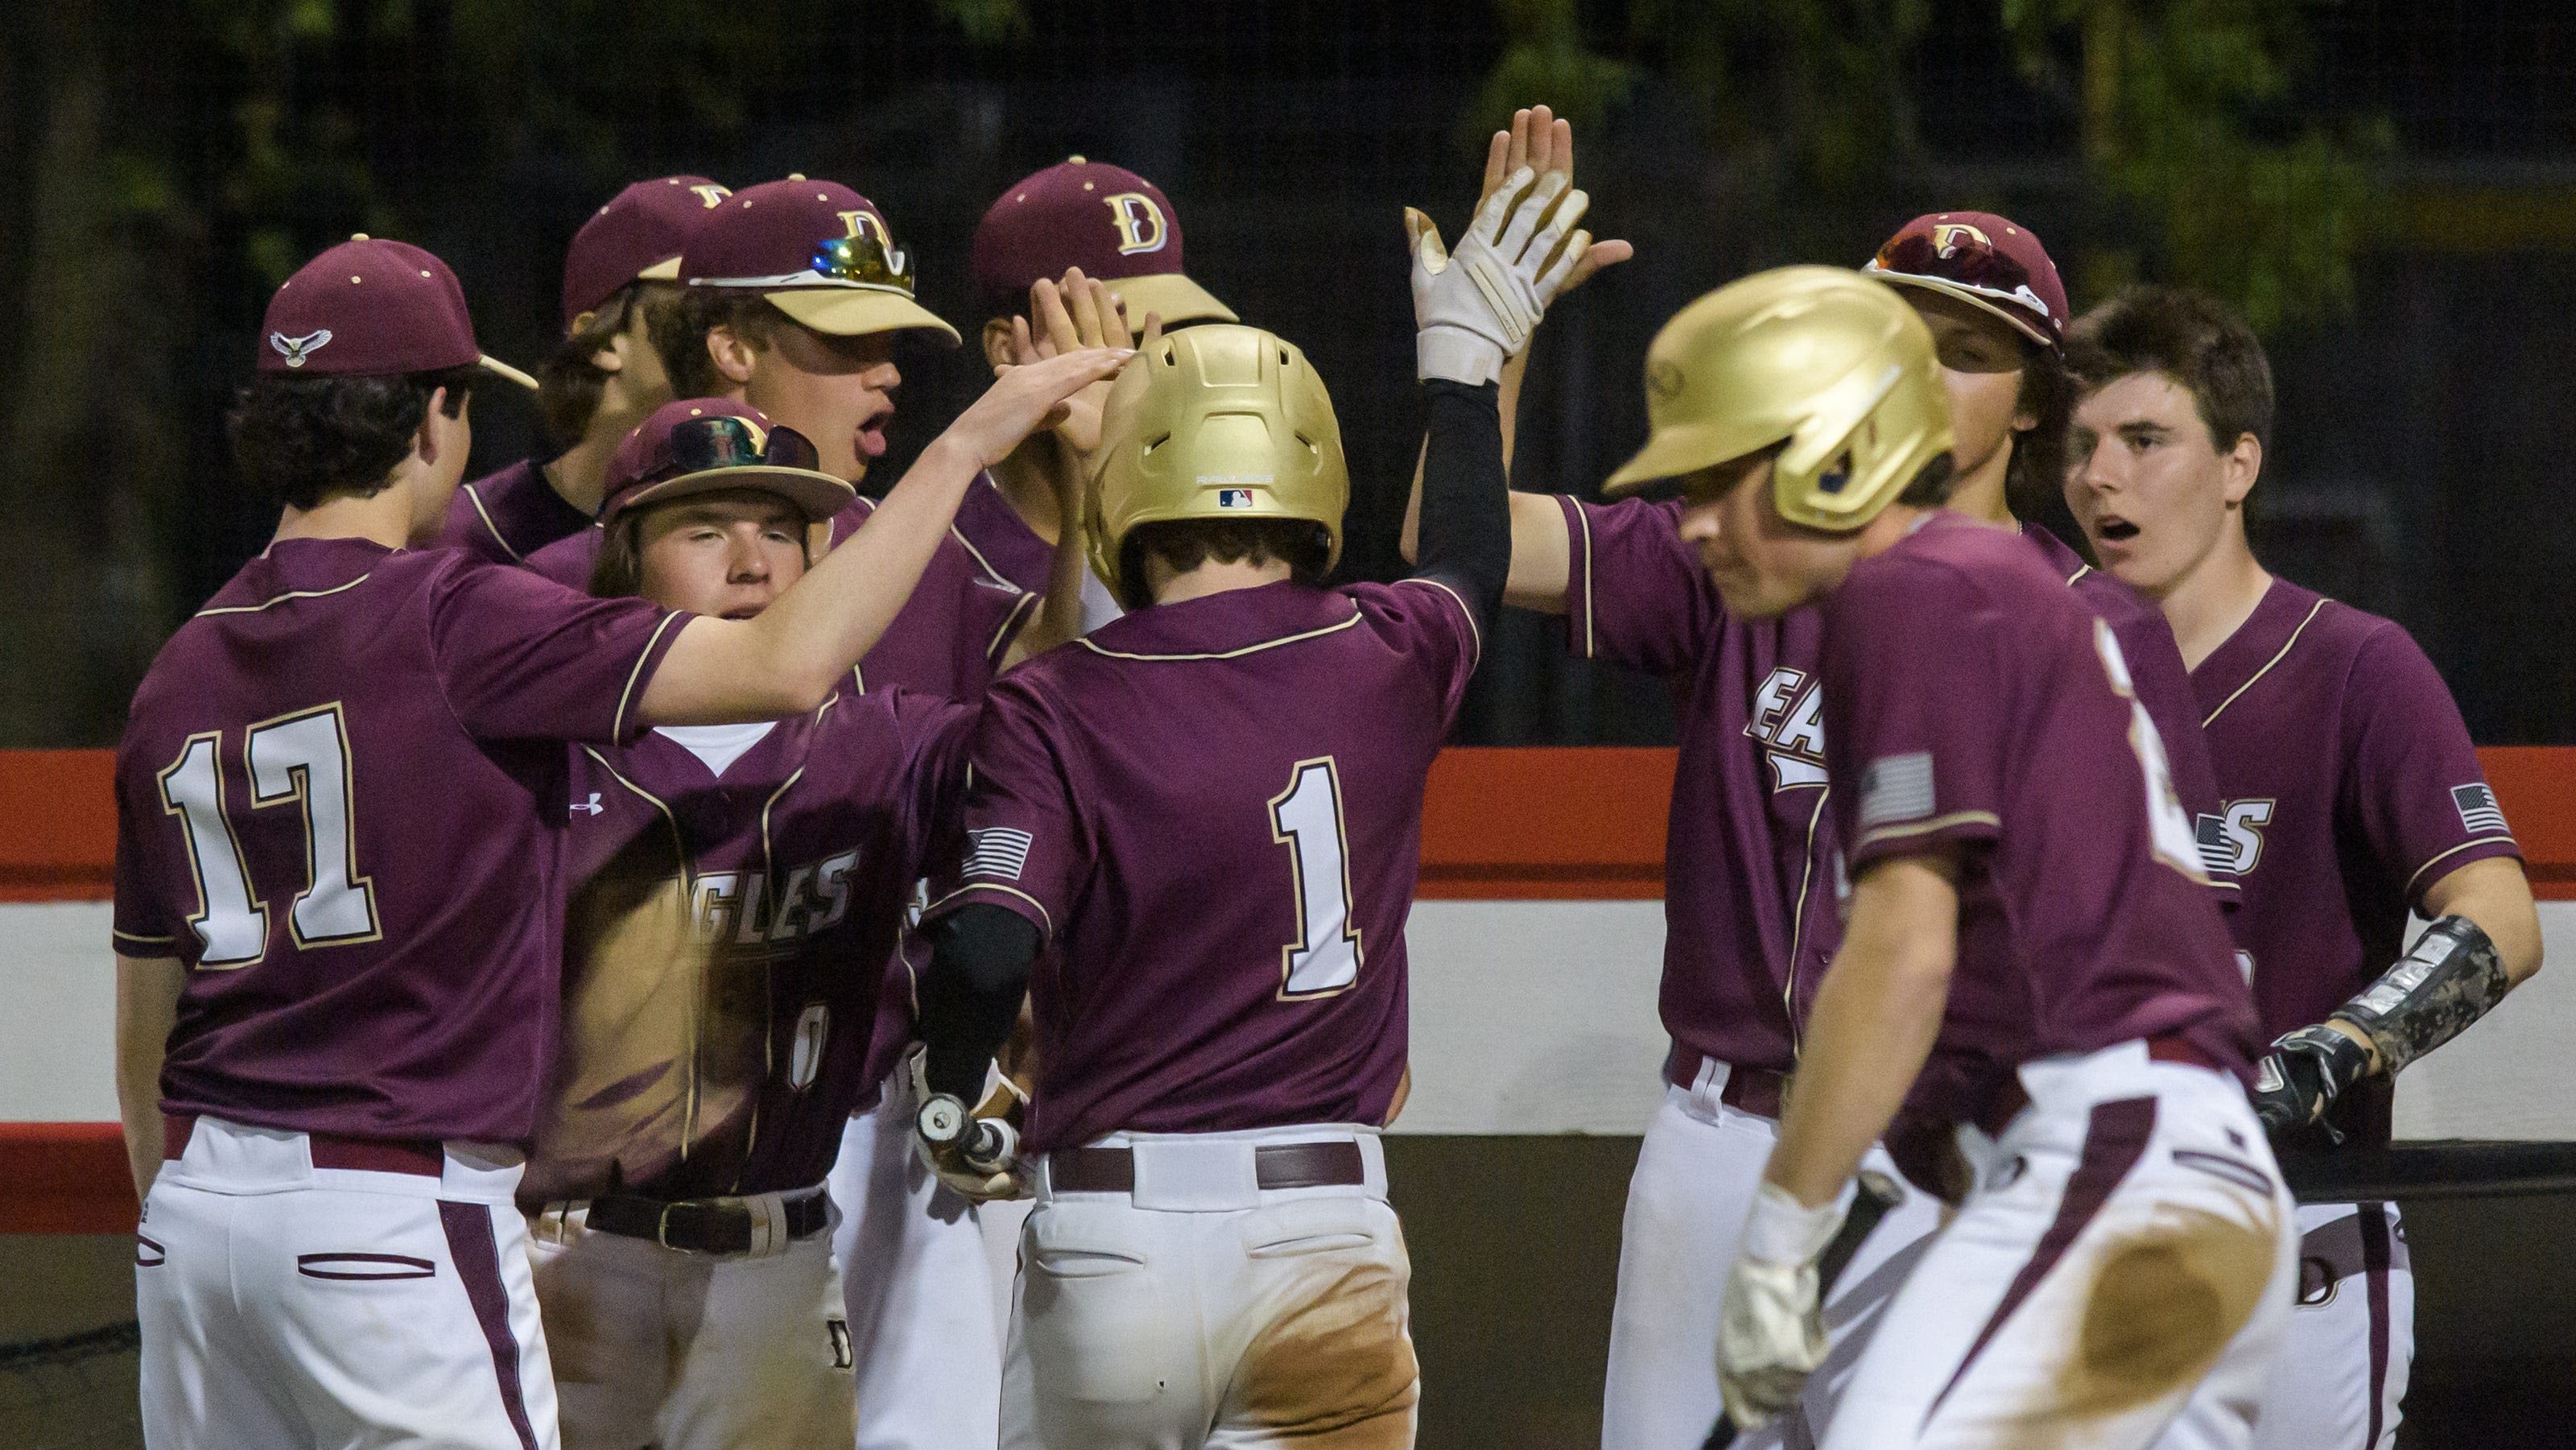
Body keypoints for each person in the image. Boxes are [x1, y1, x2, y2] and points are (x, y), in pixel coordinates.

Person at [109, 233, 1125, 1450]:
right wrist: (971, 443)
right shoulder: (452, 617)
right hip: (394, 1210)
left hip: (197, 1218)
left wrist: (172, 1220)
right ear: (437, 419)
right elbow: (792, 663)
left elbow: (145, 1024)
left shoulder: (178, 668)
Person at [902, 157, 1594, 1448]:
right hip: (1326, 1238)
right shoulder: (1393, 654)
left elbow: (991, 937)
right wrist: (1463, 365)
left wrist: (950, 1080)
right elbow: (1466, 554)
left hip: (1111, 1236)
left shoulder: (1059, 698)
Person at [1614, 266, 2293, 1448]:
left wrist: (1778, 1236)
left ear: (1840, 452)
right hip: (2157, 1163)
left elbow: (1903, 953)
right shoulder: (1974, 587)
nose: (1695, 523)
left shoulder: (1914, 590)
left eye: (1725, 478)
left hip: (2113, 1148)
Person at [2062, 286, 2545, 1450]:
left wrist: (2331, 1055)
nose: (2099, 478)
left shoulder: (2354, 666)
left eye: (2144, 440)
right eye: (2080, 446)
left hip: (2297, 1245)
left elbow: (2502, 916)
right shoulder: (2039, 662)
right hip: (2075, 1252)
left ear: (2240, 465)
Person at [824, 155, 1247, 1450]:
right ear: (1014, 345)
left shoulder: (1188, 551)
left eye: (1172, 330)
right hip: (928, 1113)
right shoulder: (913, 547)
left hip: (1116, 1102)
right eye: (1126, 331)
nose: (1155, 360)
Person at [514, 396, 1005, 1450]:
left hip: (777, 1257)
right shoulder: (536, 754)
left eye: (781, 530)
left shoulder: (880, 746)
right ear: (621, 558)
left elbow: (1062, 730)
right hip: (564, 1257)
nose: (753, 561)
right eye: (705, 530)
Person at [530, 175, 1080, 695]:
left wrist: (1089, 464)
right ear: (735, 350)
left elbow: (1058, 676)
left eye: (887, 344)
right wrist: (960, 450)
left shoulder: (925, 556)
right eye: (847, 341)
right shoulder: (566, 587)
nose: (888, 372)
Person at [440, 176, 733, 565]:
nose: (735, 336)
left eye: (749, 308)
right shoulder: (460, 540)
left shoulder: (794, 520)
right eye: (699, 309)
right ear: (605, 341)